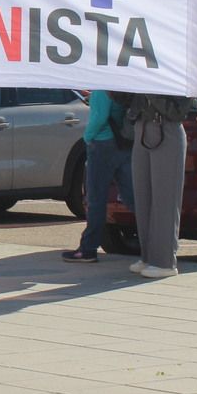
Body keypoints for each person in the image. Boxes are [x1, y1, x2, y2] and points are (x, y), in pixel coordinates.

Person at [63, 90, 137, 264]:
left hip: (102, 143)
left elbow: (99, 117)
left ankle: (88, 249)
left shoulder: (101, 89)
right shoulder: (120, 85)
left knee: (96, 198)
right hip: (125, 142)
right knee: (132, 197)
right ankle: (154, 243)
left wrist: (87, 138)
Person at [125, 92, 191, 279]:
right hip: (143, 127)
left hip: (166, 128)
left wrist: (149, 90)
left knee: (165, 199)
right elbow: (125, 100)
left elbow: (178, 112)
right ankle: (148, 257)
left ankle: (164, 261)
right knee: (143, 197)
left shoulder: (179, 74)